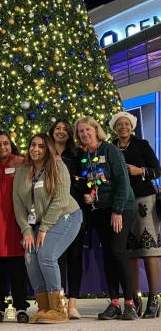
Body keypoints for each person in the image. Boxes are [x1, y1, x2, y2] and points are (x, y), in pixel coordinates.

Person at [13, 133, 82, 324]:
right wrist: (26, 231)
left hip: (65, 216)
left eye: (41, 146)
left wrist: (43, 229)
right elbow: (17, 203)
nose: (35, 149)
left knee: (46, 255)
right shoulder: (22, 171)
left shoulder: (58, 166)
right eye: (32, 145)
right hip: (36, 223)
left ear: (48, 149)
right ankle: (44, 307)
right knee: (30, 257)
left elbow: (60, 200)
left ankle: (59, 308)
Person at [75, 116, 137, 320]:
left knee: (118, 251)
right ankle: (114, 303)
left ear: (96, 130)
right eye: (81, 131)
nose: (85, 134)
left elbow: (122, 182)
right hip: (100, 211)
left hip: (121, 208)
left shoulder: (110, 150)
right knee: (108, 256)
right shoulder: (86, 155)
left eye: (87, 130)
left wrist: (117, 210)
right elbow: (92, 183)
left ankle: (130, 303)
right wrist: (89, 194)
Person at [110, 111, 161, 318]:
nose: (123, 127)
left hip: (144, 200)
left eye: (126, 124)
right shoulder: (111, 148)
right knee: (128, 251)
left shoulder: (142, 145)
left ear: (132, 127)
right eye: (119, 124)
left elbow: (157, 170)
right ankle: (134, 297)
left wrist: (140, 171)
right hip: (122, 204)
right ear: (115, 128)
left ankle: (154, 298)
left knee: (149, 249)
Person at [0, 130, 29, 324]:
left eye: (5, 143)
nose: (2, 147)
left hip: (16, 222)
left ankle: (21, 306)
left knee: (18, 267)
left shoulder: (22, 162)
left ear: (11, 144)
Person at [49, 118, 84, 319]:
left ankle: (72, 304)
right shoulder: (45, 151)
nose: (61, 131)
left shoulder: (78, 154)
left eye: (65, 129)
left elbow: (85, 181)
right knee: (55, 257)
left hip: (75, 210)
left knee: (75, 256)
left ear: (70, 133)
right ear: (52, 131)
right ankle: (58, 301)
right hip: (52, 212)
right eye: (57, 128)